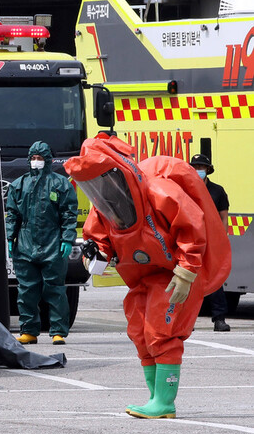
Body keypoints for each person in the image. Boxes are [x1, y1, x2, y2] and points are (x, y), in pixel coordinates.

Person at [65, 133, 230, 419]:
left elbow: (192, 227)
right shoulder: (106, 204)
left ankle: (165, 402)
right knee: (140, 331)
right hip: (142, 275)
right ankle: (155, 397)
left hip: (172, 274)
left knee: (161, 331)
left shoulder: (161, 193)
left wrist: (186, 271)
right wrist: (97, 253)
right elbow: (99, 235)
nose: (100, 189)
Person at [5, 141, 78, 345]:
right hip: (26, 244)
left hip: (52, 242)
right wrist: (11, 238)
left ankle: (58, 331)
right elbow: (12, 214)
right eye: (34, 158)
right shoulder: (19, 185)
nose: (37, 162)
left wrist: (67, 239)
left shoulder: (60, 184)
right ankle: (29, 330)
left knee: (54, 288)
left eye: (40, 158)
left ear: (48, 160)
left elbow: (69, 214)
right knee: (26, 290)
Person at [191, 154, 231, 332]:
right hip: (191, 241)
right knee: (189, 280)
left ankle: (219, 319)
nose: (198, 169)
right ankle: (187, 321)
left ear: (208, 169)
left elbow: (223, 216)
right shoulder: (186, 188)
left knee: (215, 281)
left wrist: (222, 239)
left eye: (201, 166)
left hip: (212, 241)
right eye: (195, 166)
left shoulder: (217, 191)